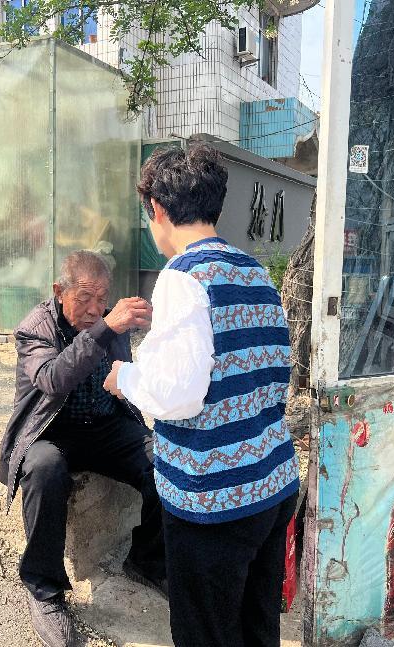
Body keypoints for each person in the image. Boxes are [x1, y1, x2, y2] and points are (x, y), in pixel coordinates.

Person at [104, 145, 300, 647]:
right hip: (271, 483)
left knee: (205, 634)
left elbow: (179, 395)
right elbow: (265, 368)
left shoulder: (181, 277)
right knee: (257, 628)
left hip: (214, 498)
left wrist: (125, 378)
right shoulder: (255, 272)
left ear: (157, 210)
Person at [0, 251, 166, 647]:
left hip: (105, 425)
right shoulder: (35, 328)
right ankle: (44, 589)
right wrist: (105, 329)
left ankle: (147, 561)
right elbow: (53, 379)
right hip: (51, 430)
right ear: (59, 292)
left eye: (102, 298)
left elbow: (123, 375)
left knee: (164, 461)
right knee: (43, 469)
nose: (95, 309)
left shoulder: (110, 322)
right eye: (85, 298)